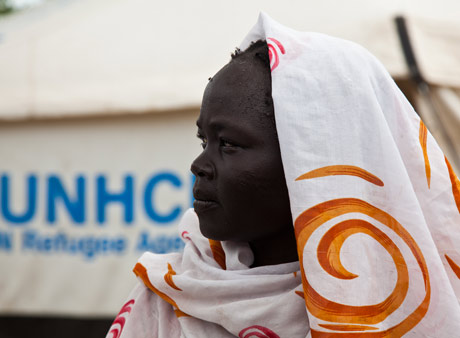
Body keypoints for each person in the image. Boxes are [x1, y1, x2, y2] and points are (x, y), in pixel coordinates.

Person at [106, 13, 460, 338]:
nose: (199, 164)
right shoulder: (169, 296)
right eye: (204, 140)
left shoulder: (410, 304)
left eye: (227, 143)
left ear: (315, 163)